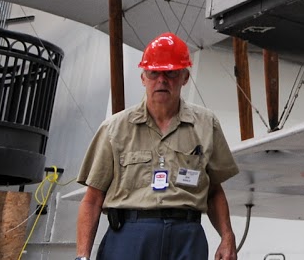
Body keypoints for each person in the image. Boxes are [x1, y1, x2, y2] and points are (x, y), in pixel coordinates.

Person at [74, 33, 240, 260]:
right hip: (129, 238)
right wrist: (82, 257)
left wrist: (227, 236)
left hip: (186, 238)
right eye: (154, 72)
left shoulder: (206, 125)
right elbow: (92, 199)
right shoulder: (115, 129)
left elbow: (214, 191)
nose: (162, 80)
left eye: (171, 72)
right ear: (143, 77)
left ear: (185, 77)